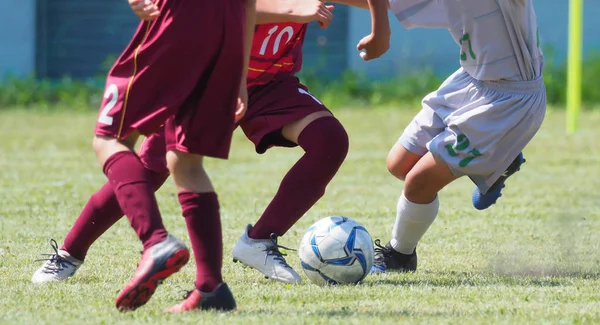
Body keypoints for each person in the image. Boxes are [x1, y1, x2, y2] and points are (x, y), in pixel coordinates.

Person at [33, 0, 390, 290]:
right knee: (150, 171)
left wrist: (380, 30)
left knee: (329, 140)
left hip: (269, 83)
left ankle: (259, 242)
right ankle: (70, 253)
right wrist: (297, 8)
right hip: (208, 77)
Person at [31, 0, 256, 312]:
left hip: (181, 16)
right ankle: (210, 288)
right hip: (229, 26)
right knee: (184, 159)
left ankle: (155, 242)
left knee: (110, 139)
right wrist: (240, 74)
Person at [371, 0, 546, 273]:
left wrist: (381, 32)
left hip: (509, 102)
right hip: (470, 82)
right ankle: (502, 159)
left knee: (419, 183)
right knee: (398, 164)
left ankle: (400, 255)